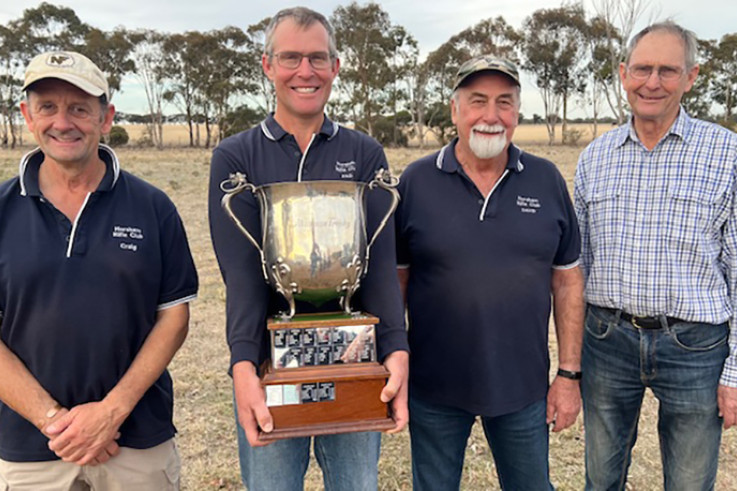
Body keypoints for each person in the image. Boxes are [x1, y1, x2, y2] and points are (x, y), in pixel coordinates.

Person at [208, 7, 409, 490]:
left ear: (335, 68)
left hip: (355, 359)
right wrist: (243, 367)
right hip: (269, 364)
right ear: (267, 65)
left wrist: (396, 349)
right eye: (291, 58)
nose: (306, 71)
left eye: (318, 58)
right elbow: (241, 278)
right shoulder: (235, 156)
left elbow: (379, 266)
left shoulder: (364, 153)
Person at [0, 51, 198, 490]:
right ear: (27, 117)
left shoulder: (153, 207)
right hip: (33, 450)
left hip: (138, 441)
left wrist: (111, 412)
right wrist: (55, 422)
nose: (63, 122)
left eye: (79, 108)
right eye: (48, 107)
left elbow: (174, 318)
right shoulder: (2, 210)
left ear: (106, 117)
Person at [395, 55, 585, 490]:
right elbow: (397, 280)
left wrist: (569, 374)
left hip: (523, 388)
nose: (491, 116)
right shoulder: (416, 181)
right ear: (455, 109)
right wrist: (393, 363)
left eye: (504, 102)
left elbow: (567, 279)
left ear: (517, 113)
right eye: (477, 101)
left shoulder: (546, 179)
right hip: (433, 388)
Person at [574, 21, 737, 490]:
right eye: (643, 69)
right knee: (601, 479)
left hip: (696, 348)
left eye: (668, 71)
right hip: (607, 340)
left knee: (689, 483)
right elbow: (577, 265)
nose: (652, 82)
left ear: (691, 77)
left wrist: (734, 372)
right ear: (623, 74)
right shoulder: (595, 157)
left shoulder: (725, 154)